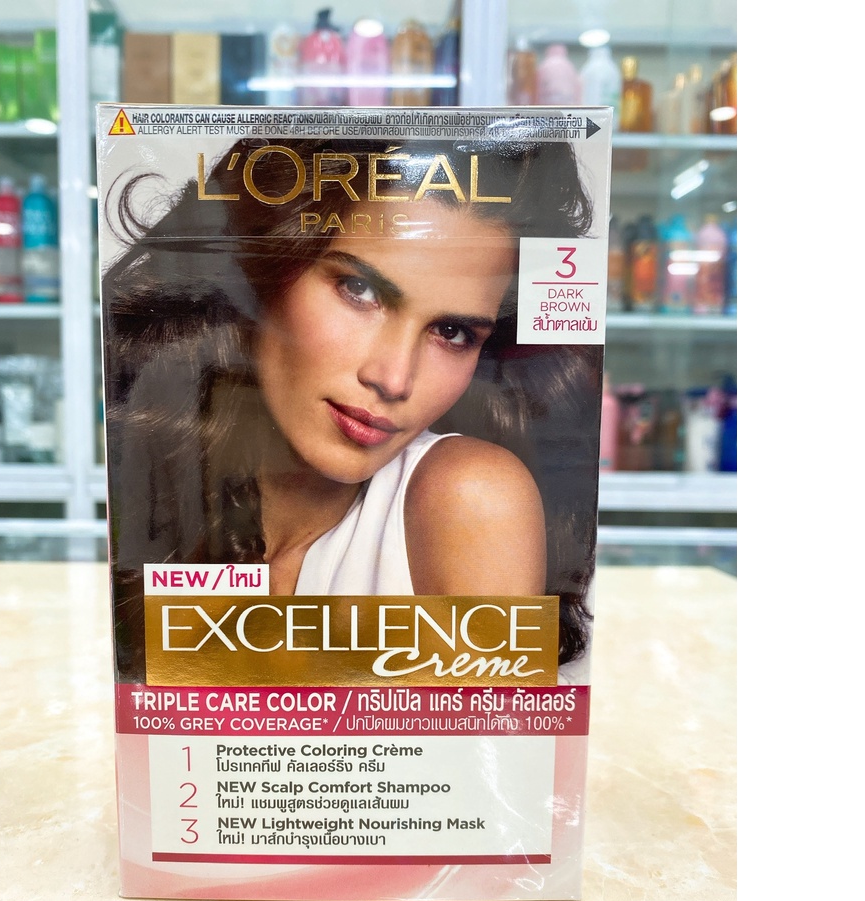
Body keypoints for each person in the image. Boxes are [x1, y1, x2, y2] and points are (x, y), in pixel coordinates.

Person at [100, 134, 602, 681]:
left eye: (452, 332)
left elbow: (497, 740)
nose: (393, 379)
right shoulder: (157, 487)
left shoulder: (472, 499)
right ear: (257, 276)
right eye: (360, 290)